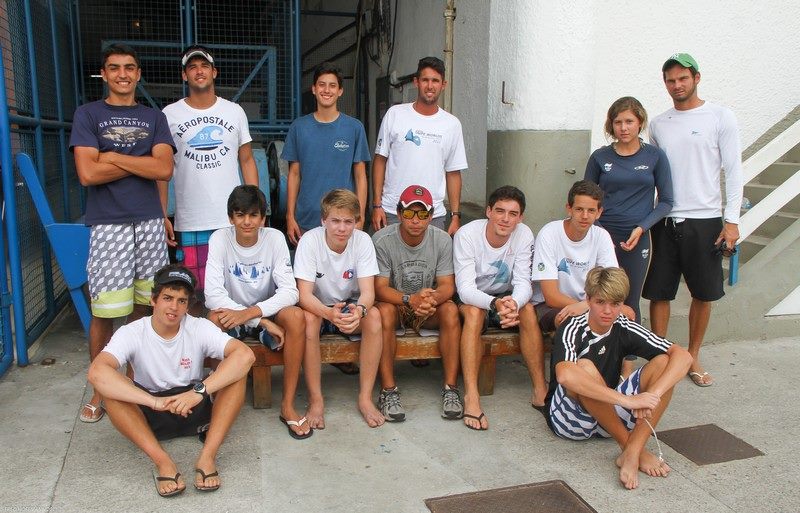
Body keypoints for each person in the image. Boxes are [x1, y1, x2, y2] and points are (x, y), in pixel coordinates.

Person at [70, 44, 175, 423]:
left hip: (148, 222)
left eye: (129, 67)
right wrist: (141, 162)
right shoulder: (88, 114)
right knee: (105, 311)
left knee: (144, 308)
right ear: (104, 74)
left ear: (138, 73)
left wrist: (111, 156)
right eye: (114, 68)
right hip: (108, 223)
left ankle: (131, 383)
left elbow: (163, 169)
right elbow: (88, 174)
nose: (122, 74)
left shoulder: (154, 117)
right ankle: (100, 388)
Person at [87, 264, 255, 496]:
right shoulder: (132, 331)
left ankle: (207, 457)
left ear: (188, 305)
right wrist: (153, 401)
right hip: (151, 409)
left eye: (181, 301)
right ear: (153, 300)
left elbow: (245, 355)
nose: (174, 307)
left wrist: (198, 392)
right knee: (111, 391)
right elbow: (97, 372)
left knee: (236, 375)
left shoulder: (199, 326)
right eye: (167, 298)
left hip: (193, 404)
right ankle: (163, 462)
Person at [643, 53, 744, 387]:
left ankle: (693, 355)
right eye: (671, 80)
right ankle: (660, 355)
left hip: (705, 219)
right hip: (665, 218)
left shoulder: (720, 116)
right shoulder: (659, 124)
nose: (677, 85)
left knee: (703, 292)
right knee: (659, 292)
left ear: (696, 78)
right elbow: (654, 174)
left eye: (683, 78)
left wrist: (731, 220)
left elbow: (734, 170)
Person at [545, 266, 692, 490]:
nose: (607, 311)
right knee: (584, 367)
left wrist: (652, 396)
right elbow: (564, 375)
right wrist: (629, 401)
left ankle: (632, 452)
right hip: (571, 420)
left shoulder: (623, 326)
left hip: (609, 416)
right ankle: (629, 446)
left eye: (615, 304)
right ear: (588, 300)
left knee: (664, 363)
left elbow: (683, 356)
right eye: (600, 302)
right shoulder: (573, 326)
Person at [204, 185, 309, 439]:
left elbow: (290, 292)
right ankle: (217, 404)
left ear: (263, 218)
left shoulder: (274, 238)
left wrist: (254, 313)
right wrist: (258, 320)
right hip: (235, 314)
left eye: (253, 215)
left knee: (296, 316)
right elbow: (212, 295)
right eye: (240, 215)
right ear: (231, 218)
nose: (247, 222)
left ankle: (287, 404)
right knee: (213, 320)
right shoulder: (219, 238)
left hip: (264, 312)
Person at [160, 45, 258, 303]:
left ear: (214, 72)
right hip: (192, 219)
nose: (199, 71)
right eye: (192, 67)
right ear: (184, 76)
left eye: (204, 66)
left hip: (233, 218)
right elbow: (162, 171)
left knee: (236, 289)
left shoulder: (234, 111)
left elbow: (247, 160)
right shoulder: (169, 114)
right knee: (192, 293)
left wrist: (256, 207)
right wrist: (162, 213)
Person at [454, 185, 547, 430]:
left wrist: (514, 304)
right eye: (500, 211)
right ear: (488, 211)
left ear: (521, 217)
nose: (506, 219)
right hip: (473, 299)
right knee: (474, 314)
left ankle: (540, 389)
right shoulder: (467, 235)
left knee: (528, 310)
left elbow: (523, 282)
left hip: (504, 298)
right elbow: (465, 289)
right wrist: (495, 304)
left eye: (513, 214)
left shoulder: (524, 234)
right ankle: (471, 396)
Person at [293, 189, 385, 428]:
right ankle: (316, 399)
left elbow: (368, 293)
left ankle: (365, 398)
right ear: (323, 220)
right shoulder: (310, 241)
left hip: (349, 305)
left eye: (348, 222)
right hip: (318, 307)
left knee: (374, 317)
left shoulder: (362, 241)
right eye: (335, 221)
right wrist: (328, 314)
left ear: (356, 222)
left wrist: (360, 311)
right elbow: (304, 295)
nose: (342, 228)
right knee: (309, 321)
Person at [373, 185, 462, 422]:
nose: (415, 220)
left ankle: (451, 388)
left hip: (425, 306)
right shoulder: (382, 240)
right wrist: (409, 299)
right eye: (409, 213)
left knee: (450, 309)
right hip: (396, 304)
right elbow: (379, 288)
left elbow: (447, 286)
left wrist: (430, 299)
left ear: (431, 216)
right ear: (399, 213)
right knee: (383, 312)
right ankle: (388, 390)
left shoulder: (442, 240)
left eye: (422, 214)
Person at [584, 97, 673, 322]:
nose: (623, 128)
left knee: (629, 301)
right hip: (602, 235)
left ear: (640, 122)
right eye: (618, 122)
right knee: (599, 297)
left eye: (629, 121)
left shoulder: (655, 156)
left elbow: (666, 202)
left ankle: (629, 346)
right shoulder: (599, 157)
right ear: (611, 125)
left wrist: (642, 228)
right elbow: (586, 199)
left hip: (636, 238)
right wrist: (600, 232)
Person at [372, 56, 467, 235]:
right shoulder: (395, 114)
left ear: (443, 85)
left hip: (432, 215)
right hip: (393, 211)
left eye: (435, 81)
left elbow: (453, 172)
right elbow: (380, 160)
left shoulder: (452, 124)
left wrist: (455, 216)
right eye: (425, 80)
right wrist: (377, 205)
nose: (430, 86)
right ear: (416, 82)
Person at [282, 62, 370, 245]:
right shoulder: (299, 127)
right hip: (306, 219)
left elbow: (360, 176)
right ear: (314, 89)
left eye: (332, 85)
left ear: (340, 91)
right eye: (322, 85)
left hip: (343, 220)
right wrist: (290, 216)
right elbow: (294, 174)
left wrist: (360, 216)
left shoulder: (354, 128)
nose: (327, 90)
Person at [531, 180, 630, 332]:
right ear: (569, 209)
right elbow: (551, 296)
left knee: (628, 317)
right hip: (549, 306)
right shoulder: (549, 233)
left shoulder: (602, 236)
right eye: (579, 209)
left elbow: (612, 285)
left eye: (591, 210)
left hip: (590, 304)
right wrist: (588, 306)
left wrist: (588, 306)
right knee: (573, 322)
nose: (585, 216)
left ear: (599, 213)